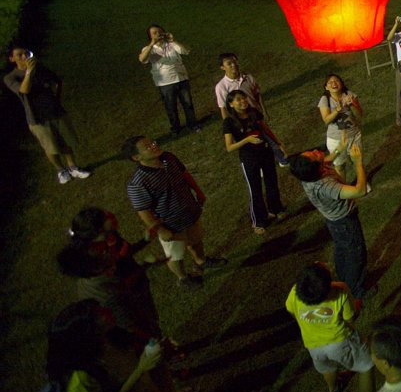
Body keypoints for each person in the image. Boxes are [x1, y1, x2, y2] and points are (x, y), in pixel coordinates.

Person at [45, 299, 169, 392]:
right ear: (86, 332)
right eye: (99, 314)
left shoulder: (110, 337)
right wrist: (141, 369)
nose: (107, 310)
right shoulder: (79, 379)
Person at [123, 136, 226, 289]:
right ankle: (182, 278)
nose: (153, 145)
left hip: (190, 211)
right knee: (175, 255)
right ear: (136, 157)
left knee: (196, 239)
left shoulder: (168, 157)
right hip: (170, 224)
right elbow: (143, 211)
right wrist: (160, 229)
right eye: (147, 146)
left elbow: (184, 174)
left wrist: (198, 192)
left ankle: (201, 261)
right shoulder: (138, 183)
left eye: (152, 142)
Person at [56, 207, 168, 345]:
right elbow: (131, 326)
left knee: (151, 319)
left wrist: (144, 242)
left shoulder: (99, 251)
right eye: (105, 252)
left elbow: (124, 253)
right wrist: (156, 345)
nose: (110, 252)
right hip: (135, 308)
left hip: (135, 292)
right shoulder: (108, 294)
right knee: (149, 324)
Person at [288, 144, 372, 301]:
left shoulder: (308, 173)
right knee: (356, 254)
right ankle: (355, 290)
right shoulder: (326, 186)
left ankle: (344, 276)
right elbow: (359, 191)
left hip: (334, 222)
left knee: (342, 250)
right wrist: (358, 162)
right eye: (313, 154)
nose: (315, 151)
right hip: (345, 222)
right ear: (318, 167)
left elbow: (327, 159)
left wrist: (340, 147)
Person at [285, 262, 375, 392]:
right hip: (341, 341)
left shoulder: (294, 292)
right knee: (366, 365)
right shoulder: (340, 290)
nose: (318, 263)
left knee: (327, 368)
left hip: (314, 346)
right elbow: (350, 317)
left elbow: (291, 311)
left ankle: (333, 391)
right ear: (328, 284)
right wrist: (357, 304)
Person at [4, 45, 90, 183]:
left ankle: (73, 167)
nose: (24, 56)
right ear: (11, 59)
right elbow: (24, 90)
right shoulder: (10, 77)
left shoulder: (40, 68)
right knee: (51, 147)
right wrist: (29, 72)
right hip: (37, 118)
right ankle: (61, 170)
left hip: (55, 111)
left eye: (25, 53)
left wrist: (57, 98)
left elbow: (57, 81)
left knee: (66, 141)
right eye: (19, 55)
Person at [222, 90, 285, 234]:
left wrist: (278, 143)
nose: (243, 101)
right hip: (249, 159)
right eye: (238, 99)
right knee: (255, 189)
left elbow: (265, 129)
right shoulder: (229, 122)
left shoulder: (254, 112)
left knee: (271, 183)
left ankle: (276, 209)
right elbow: (229, 147)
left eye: (243, 98)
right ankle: (258, 221)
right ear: (231, 104)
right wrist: (247, 140)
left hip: (265, 153)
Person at [138, 25, 201, 135]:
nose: (158, 34)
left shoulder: (171, 44)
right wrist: (152, 44)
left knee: (188, 104)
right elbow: (142, 59)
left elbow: (186, 51)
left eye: (159, 31)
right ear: (150, 36)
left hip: (181, 78)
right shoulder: (149, 49)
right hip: (165, 83)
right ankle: (176, 129)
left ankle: (192, 125)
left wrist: (174, 40)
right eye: (154, 33)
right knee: (171, 107)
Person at [214, 52, 266, 119]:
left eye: (235, 61)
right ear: (222, 67)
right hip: (241, 121)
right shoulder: (221, 86)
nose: (234, 65)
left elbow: (258, 95)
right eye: (229, 63)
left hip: (257, 116)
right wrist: (227, 125)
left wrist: (264, 112)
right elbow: (223, 108)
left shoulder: (248, 77)